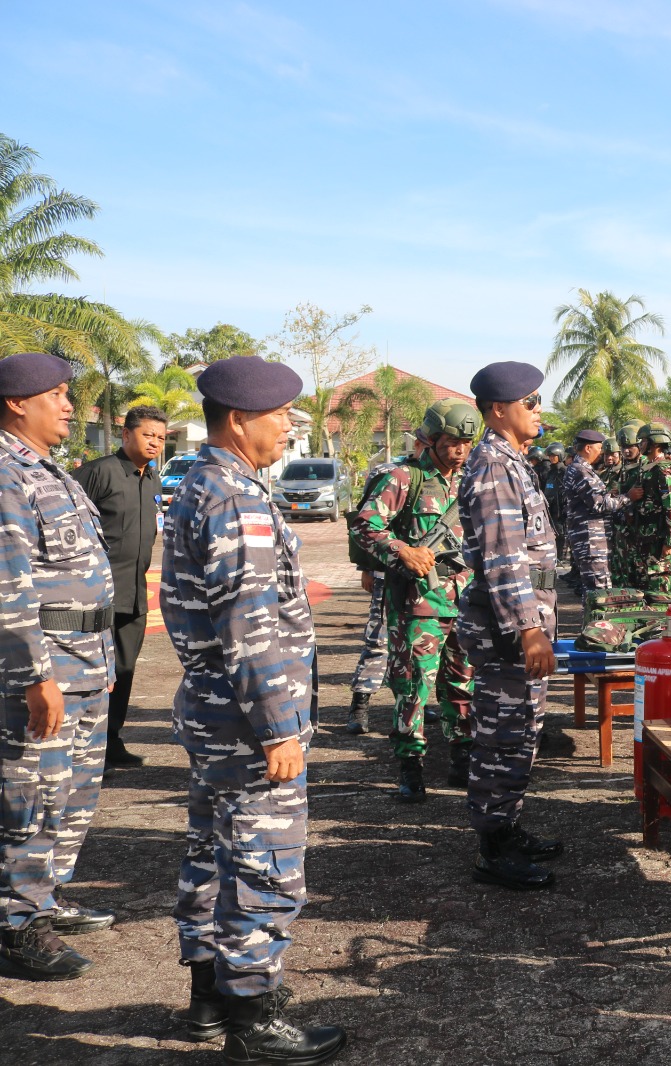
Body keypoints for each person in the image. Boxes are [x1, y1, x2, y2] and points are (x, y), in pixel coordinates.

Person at [162, 355, 346, 1062]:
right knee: (264, 863)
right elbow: (250, 626)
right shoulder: (234, 497)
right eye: (278, 417)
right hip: (246, 720)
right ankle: (254, 1019)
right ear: (238, 420)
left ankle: (211, 995)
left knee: (214, 853)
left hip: (216, 711)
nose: (287, 427)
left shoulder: (212, 484)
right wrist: (278, 726)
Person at [0, 352, 118, 981]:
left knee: (70, 796)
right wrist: (32, 677)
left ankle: (45, 899)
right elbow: (7, 586)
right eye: (59, 395)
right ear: (18, 402)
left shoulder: (51, 471)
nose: (71, 406)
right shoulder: (5, 472)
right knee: (31, 796)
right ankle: (17, 925)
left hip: (84, 663)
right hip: (44, 669)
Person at [454, 362, 564, 891]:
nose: (539, 409)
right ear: (499, 409)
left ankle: (508, 826)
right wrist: (528, 628)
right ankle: (492, 848)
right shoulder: (493, 466)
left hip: (525, 618)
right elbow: (503, 557)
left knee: (522, 731)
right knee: (502, 735)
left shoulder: (513, 461)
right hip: (507, 629)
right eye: (531, 401)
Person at [353, 400, 479, 802]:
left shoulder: (470, 480)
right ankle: (411, 768)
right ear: (431, 436)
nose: (460, 449)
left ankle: (462, 759)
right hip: (419, 603)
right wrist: (401, 550)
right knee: (413, 688)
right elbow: (364, 525)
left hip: (465, 601)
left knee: (462, 684)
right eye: (452, 440)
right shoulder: (402, 477)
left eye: (466, 442)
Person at [71, 404, 166, 769]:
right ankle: (84, 753)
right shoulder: (97, 474)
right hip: (95, 595)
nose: (155, 442)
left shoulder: (153, 479)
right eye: (147, 435)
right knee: (92, 674)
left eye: (160, 436)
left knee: (123, 671)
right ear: (126, 435)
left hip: (134, 595)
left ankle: (111, 743)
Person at [345, 437, 425, 735]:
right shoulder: (389, 473)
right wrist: (366, 568)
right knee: (378, 638)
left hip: (431, 578)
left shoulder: (449, 478)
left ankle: (420, 704)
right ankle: (360, 703)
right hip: (390, 571)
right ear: (417, 444)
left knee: (424, 644)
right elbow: (364, 523)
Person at [564, 430, 629, 593]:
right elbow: (600, 504)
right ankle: (597, 619)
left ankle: (594, 619)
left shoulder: (581, 468)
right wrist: (628, 497)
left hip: (590, 538)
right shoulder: (581, 471)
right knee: (598, 592)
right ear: (587, 448)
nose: (602, 452)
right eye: (599, 448)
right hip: (591, 540)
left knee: (594, 591)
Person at [616, 424, 671, 593]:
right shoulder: (647, 468)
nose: (640, 445)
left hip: (658, 540)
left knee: (658, 587)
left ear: (655, 443)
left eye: (643, 441)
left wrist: (670, 541)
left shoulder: (663, 470)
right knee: (643, 585)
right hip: (644, 537)